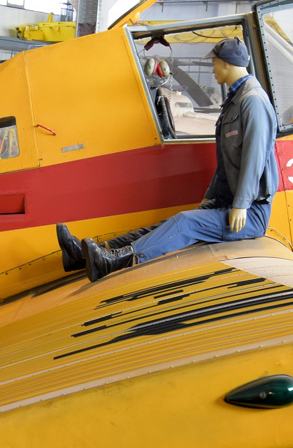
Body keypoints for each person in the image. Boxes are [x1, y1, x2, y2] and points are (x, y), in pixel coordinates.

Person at [55, 35, 280, 282]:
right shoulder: (235, 101)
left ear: (226, 63)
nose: (212, 68)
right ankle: (91, 255)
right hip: (226, 202)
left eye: (214, 63)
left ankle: (118, 262)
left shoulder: (252, 102)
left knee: (185, 223)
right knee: (169, 224)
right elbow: (227, 160)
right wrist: (211, 194)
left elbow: (254, 158)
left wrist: (242, 205)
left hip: (250, 213)